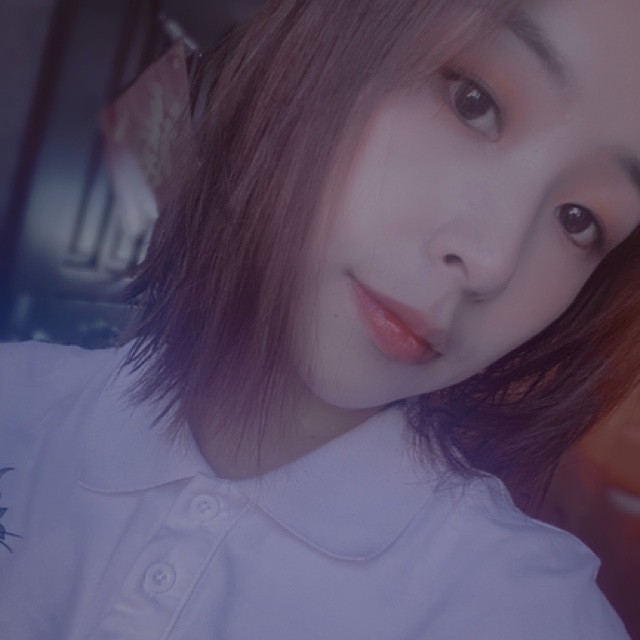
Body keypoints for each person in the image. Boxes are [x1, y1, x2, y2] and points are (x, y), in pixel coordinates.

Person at [1, 0, 639, 637]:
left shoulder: (529, 615)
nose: (491, 262)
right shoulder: (17, 408)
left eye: (579, 220)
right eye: (474, 102)